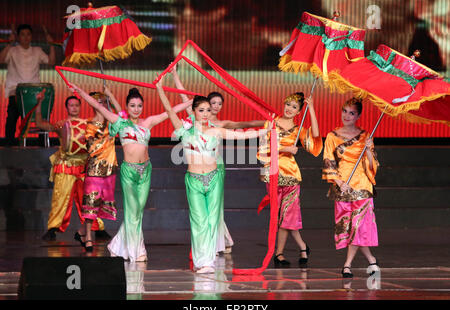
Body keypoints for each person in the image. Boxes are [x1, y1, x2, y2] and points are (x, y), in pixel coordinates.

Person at [156, 76, 271, 274]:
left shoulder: (216, 131)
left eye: (208, 110)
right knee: (199, 221)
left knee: (211, 221)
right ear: (193, 112)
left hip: (214, 178)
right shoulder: (184, 131)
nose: (206, 113)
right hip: (193, 181)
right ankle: (201, 260)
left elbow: (241, 135)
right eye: (201, 110)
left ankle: (207, 262)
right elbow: (168, 110)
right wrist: (159, 88)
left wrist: (264, 131)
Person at [69, 83, 193, 262]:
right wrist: (80, 92)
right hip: (129, 172)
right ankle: (138, 251)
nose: (136, 109)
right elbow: (97, 106)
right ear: (127, 107)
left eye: (139, 106)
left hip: (146, 171)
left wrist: (190, 101)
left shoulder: (148, 122)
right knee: (132, 210)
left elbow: (170, 111)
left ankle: (119, 244)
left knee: (138, 211)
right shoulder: (119, 122)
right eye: (132, 106)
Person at [257, 92, 322, 268]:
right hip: (273, 174)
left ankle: (279, 254)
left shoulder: (298, 129)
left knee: (287, 216)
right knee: (280, 216)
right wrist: (286, 148)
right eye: (288, 104)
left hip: (291, 176)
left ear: (299, 111)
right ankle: (302, 247)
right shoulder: (270, 122)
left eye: (294, 107)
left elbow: (315, 135)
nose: (289, 109)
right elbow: (263, 149)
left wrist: (312, 109)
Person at [34, 93, 106, 241]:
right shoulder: (61, 125)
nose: (74, 107)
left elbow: (103, 122)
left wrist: (101, 103)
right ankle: (53, 228)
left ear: (80, 107)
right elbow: (40, 124)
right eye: (71, 105)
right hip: (65, 166)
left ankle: (97, 228)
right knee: (60, 198)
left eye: (76, 105)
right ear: (67, 108)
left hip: (83, 166)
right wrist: (39, 103)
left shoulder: (87, 124)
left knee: (90, 199)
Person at [322, 98, 380, 278]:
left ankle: (347, 265)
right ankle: (372, 260)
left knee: (358, 225)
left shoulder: (365, 136)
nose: (347, 116)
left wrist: (369, 149)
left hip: (362, 186)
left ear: (358, 116)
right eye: (345, 111)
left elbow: (373, 165)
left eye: (352, 113)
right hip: (342, 188)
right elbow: (328, 162)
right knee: (349, 228)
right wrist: (339, 183)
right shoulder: (332, 136)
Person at [74, 88, 121, 252]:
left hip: (109, 168)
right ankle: (87, 237)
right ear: (93, 105)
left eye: (103, 101)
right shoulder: (89, 125)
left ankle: (81, 232)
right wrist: (105, 133)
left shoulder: (112, 122)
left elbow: (123, 117)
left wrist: (112, 95)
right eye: (98, 102)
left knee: (101, 205)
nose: (101, 104)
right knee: (90, 203)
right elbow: (92, 147)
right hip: (94, 169)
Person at [0, 24, 55, 146]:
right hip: (16, 92)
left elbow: (51, 62)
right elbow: (1, 59)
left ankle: (43, 146)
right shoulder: (12, 50)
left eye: (28, 34)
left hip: (33, 94)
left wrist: (51, 45)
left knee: (40, 119)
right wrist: (9, 43)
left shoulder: (37, 51)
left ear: (31, 36)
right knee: (11, 120)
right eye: (23, 34)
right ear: (18, 36)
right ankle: (8, 147)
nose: (26, 37)